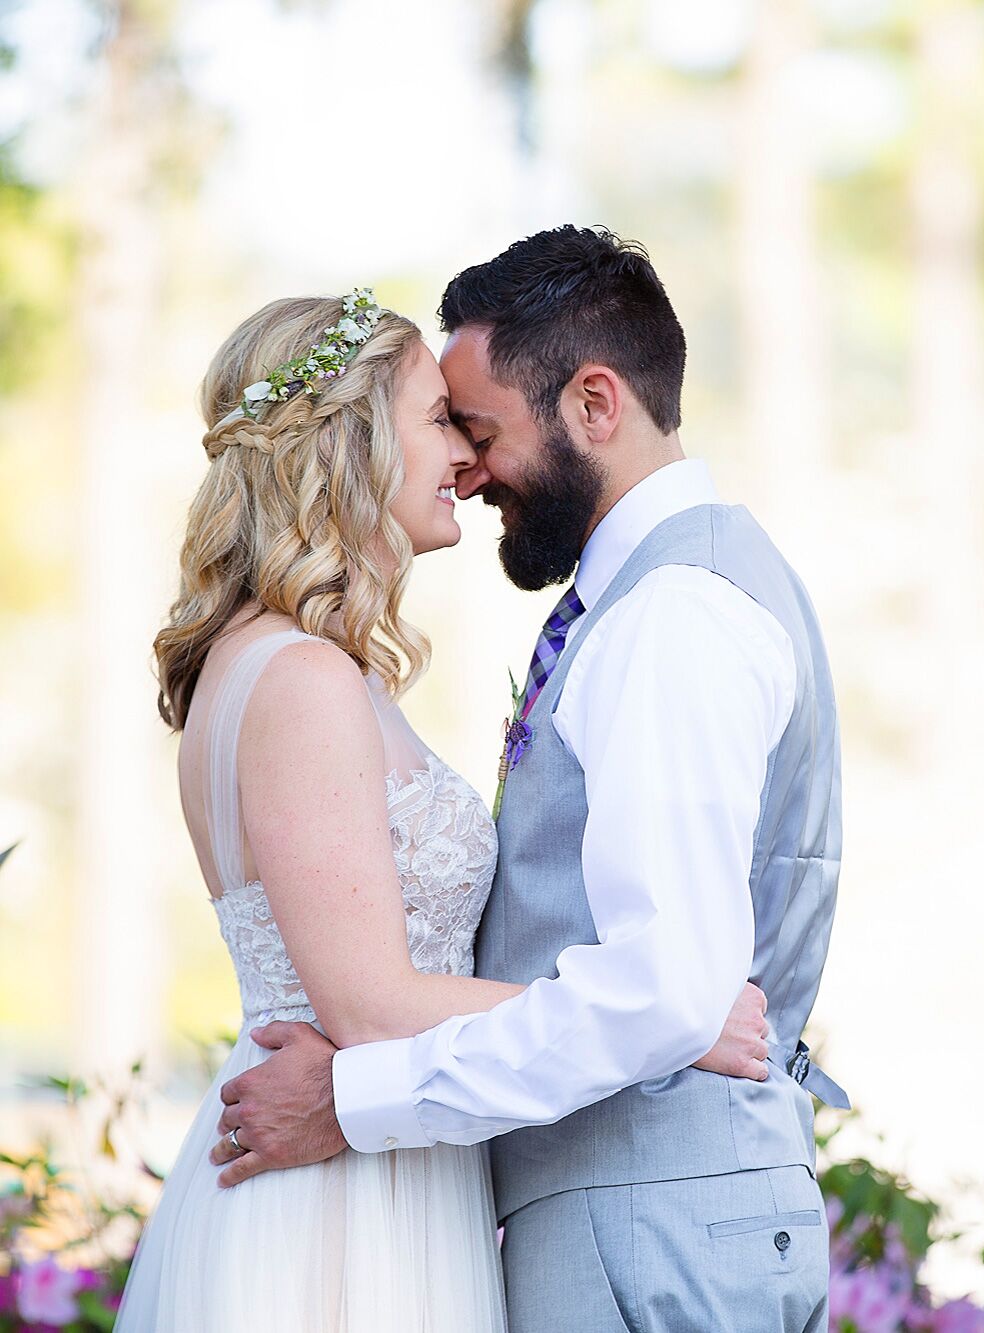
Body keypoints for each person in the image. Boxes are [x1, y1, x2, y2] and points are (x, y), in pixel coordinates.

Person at [211, 228, 850, 1333]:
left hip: (651, 1222)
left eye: (483, 429)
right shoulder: (644, 603)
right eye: (446, 427)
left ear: (594, 404)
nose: (470, 463)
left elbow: (665, 991)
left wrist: (349, 1101)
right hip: (626, 1215)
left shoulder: (670, 616)